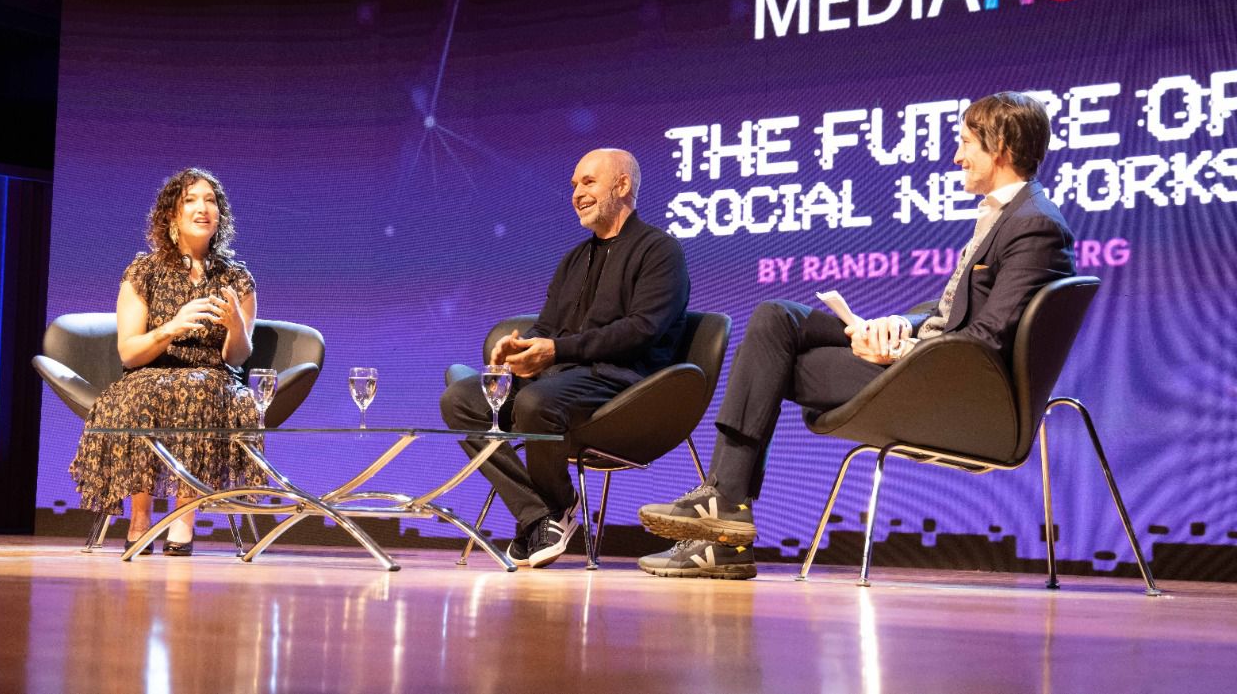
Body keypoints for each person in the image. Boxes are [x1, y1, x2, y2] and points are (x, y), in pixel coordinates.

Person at [638, 92, 1076, 579]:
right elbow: (954, 310)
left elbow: (987, 341)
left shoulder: (1035, 226)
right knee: (775, 318)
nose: (956, 156)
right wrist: (900, 325)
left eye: (966, 143)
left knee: (772, 363)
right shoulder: (1011, 215)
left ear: (1002, 146)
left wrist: (903, 353)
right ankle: (725, 506)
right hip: (930, 363)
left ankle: (725, 515)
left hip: (950, 389)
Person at [441, 148, 690, 568]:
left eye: (588, 182)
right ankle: (541, 512)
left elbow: (641, 330)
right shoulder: (574, 258)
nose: (576, 193)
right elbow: (548, 326)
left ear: (622, 186)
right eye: (574, 185)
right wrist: (519, 350)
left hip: (622, 383)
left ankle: (550, 509)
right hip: (561, 378)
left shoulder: (660, 251)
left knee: (535, 402)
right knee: (461, 400)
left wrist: (556, 350)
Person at [69, 167, 262, 556]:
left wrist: (236, 327)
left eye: (210, 200)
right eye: (190, 200)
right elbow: (129, 352)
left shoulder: (236, 279)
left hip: (212, 376)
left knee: (198, 390)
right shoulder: (144, 272)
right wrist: (171, 328)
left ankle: (183, 519)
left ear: (220, 215)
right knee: (141, 394)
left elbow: (237, 358)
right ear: (172, 215)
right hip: (149, 372)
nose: (202, 208)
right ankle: (140, 520)